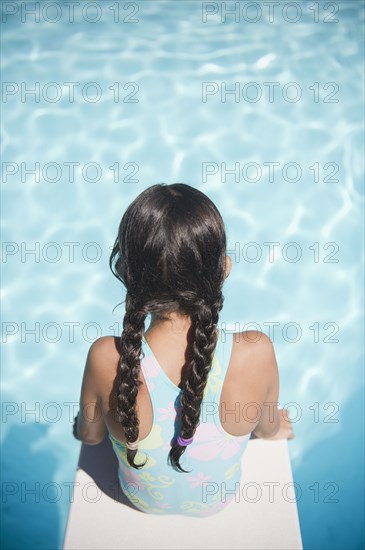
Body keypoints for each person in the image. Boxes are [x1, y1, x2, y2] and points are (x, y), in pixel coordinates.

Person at [73, 183, 293, 517]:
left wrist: (83, 423)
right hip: (217, 504)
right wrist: (278, 426)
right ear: (223, 269)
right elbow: (266, 429)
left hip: (139, 502)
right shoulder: (255, 352)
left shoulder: (107, 358)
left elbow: (90, 437)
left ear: (126, 273)